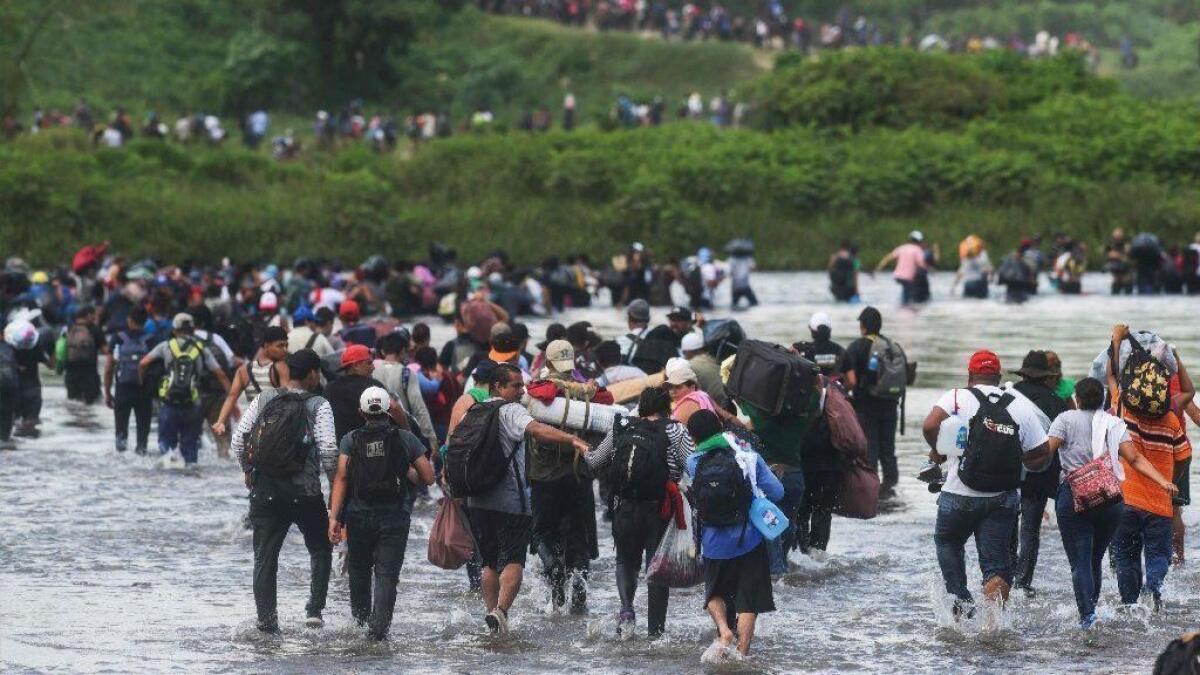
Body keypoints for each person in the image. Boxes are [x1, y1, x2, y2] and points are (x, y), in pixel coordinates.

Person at [460, 363, 590, 636]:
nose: (522, 390)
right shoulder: (511, 410)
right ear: (498, 386)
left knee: (488, 562)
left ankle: (491, 614)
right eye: (516, 386)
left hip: (477, 500)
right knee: (513, 560)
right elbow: (537, 430)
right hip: (509, 500)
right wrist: (572, 439)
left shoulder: (473, 410)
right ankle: (502, 611)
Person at [921, 350, 1052, 618]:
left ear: (970, 376)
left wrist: (940, 450)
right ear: (999, 376)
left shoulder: (957, 397)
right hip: (1002, 497)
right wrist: (1020, 461)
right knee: (996, 564)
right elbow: (1043, 451)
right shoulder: (1018, 404)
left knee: (948, 542)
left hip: (958, 493)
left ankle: (960, 598)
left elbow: (929, 425)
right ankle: (994, 627)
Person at [1046, 377, 1178, 629]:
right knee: (1095, 558)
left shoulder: (1065, 419)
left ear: (1078, 399)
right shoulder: (1114, 422)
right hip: (1110, 500)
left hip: (1075, 497)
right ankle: (1092, 610)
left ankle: (1087, 617)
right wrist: (1163, 481)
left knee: (1081, 560)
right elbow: (1135, 458)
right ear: (1103, 401)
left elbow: (1046, 451)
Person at [232, 349, 336, 633]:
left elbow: (239, 440)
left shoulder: (265, 398)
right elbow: (328, 451)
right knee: (319, 549)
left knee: (265, 556)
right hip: (306, 492)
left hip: (265, 492)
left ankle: (266, 620)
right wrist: (336, 491)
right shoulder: (319, 405)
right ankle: (314, 612)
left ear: (288, 371)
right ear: (313, 374)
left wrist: (248, 470)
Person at [583, 387, 694, 636]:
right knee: (656, 567)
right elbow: (693, 465)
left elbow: (595, 461)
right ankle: (655, 632)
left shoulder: (622, 425)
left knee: (625, 560)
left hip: (623, 507)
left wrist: (583, 450)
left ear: (642, 406)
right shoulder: (674, 429)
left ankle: (626, 611)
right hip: (659, 509)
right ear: (667, 408)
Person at [327, 386, 435, 641]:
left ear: (361, 412)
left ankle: (360, 625)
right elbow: (428, 478)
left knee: (359, 570)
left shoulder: (350, 439)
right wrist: (406, 470)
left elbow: (341, 478)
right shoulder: (405, 438)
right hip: (395, 515)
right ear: (388, 410)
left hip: (358, 515)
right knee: (386, 575)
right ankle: (379, 633)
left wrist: (334, 518)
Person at [1106, 325, 1194, 611]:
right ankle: (1152, 589)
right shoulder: (1170, 420)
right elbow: (1184, 456)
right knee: (1159, 556)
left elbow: (1111, 376)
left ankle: (1131, 605)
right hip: (1159, 503)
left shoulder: (1123, 408)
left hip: (1125, 500)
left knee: (1125, 556)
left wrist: (1116, 340)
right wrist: (1171, 479)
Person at [686, 410, 783, 660]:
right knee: (748, 600)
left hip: (713, 543)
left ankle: (724, 631)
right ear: (720, 428)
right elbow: (778, 491)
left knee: (714, 592)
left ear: (693, 437)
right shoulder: (748, 456)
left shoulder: (694, 461)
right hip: (748, 539)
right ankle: (742, 654)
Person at [528, 340, 600, 613]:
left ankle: (554, 578)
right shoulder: (588, 393)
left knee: (543, 534)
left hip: (545, 479)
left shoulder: (538, 392)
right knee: (579, 537)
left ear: (548, 363)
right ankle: (580, 599)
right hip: (579, 477)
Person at [1009, 350, 1072, 595]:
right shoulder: (1055, 401)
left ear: (1024, 373)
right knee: (1030, 529)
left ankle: (1004, 573)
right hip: (1039, 473)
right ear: (1046, 377)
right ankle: (1023, 582)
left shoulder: (1007, 394)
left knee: (1007, 522)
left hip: (1007, 470)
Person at [139, 313, 231, 465]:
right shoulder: (201, 349)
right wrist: (231, 398)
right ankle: (189, 480)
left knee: (166, 447)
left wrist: (142, 385)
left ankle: (171, 472)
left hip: (169, 403)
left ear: (174, 330)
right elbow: (220, 374)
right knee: (190, 449)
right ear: (193, 329)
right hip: (192, 405)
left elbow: (143, 364)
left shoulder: (165, 346)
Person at [843, 307, 905, 497]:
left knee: (870, 450)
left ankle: (871, 493)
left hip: (866, 406)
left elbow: (850, 379)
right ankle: (891, 490)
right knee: (888, 450)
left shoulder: (856, 346)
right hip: (891, 405)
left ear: (862, 326)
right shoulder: (892, 345)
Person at [212, 327, 290, 439]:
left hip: (253, 431)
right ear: (266, 346)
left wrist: (220, 422)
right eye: (280, 345)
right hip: (276, 431)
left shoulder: (243, 370)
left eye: (286, 345)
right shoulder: (281, 368)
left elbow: (232, 397)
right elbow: (288, 400)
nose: (285, 349)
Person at [324, 344, 409, 442]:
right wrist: (408, 432)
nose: (373, 367)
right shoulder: (372, 386)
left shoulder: (329, 388)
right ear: (356, 366)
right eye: (369, 363)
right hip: (368, 449)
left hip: (340, 448)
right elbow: (394, 408)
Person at [374, 330, 437, 454]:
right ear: (403, 351)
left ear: (382, 351)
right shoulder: (406, 373)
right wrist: (431, 438)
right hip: (402, 434)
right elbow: (418, 407)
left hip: (376, 434)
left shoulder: (371, 371)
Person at [105, 306, 154, 453]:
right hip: (144, 389)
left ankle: (121, 464)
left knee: (121, 432)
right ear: (145, 321)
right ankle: (141, 456)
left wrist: (107, 392)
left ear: (129, 319)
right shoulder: (151, 339)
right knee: (143, 432)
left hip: (123, 389)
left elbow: (108, 367)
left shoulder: (118, 338)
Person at [665, 359, 742, 429]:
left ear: (692, 387)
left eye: (678, 387)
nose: (672, 391)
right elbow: (728, 416)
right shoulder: (702, 396)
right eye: (670, 387)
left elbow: (727, 416)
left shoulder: (691, 401)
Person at [62, 305, 106, 404]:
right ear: (89, 315)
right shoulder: (95, 330)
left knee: (74, 405)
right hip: (90, 376)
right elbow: (106, 351)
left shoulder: (68, 329)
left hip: (71, 375)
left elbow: (60, 349)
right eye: (94, 315)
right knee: (91, 405)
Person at [875, 231, 927, 305]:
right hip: (908, 278)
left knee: (905, 292)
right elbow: (921, 264)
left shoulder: (901, 248)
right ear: (920, 241)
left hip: (897, 276)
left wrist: (878, 268)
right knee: (907, 298)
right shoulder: (918, 250)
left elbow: (887, 258)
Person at [680, 332, 727, 410]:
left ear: (688, 351)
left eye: (684, 352)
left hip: (719, 407)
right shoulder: (713, 358)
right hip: (730, 401)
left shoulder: (690, 365)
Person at [794, 312, 845, 378]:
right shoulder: (840, 351)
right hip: (834, 386)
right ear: (829, 329)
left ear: (810, 328)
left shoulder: (800, 349)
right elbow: (852, 381)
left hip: (809, 386)